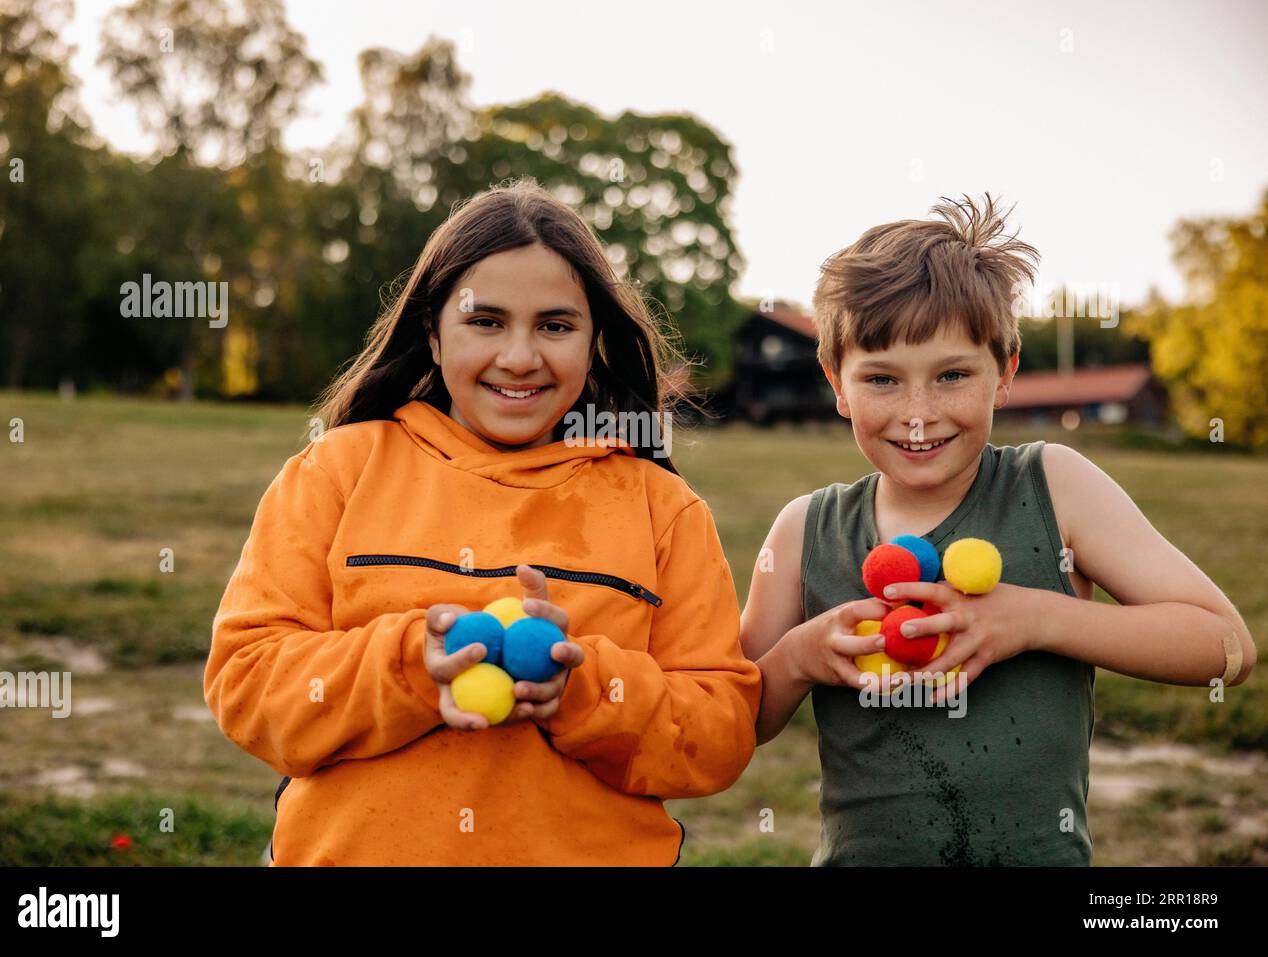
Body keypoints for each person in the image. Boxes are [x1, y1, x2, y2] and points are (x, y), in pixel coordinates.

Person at [204, 179, 761, 866]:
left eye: (555, 326)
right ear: (433, 335)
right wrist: (413, 665)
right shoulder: (337, 471)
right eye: (485, 321)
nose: (520, 357)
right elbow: (247, 681)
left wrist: (582, 689)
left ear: (594, 343)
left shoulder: (663, 509)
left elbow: (720, 730)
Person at [740, 194, 1256, 865]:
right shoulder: (805, 529)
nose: (918, 414)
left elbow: (1226, 648)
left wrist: (1033, 618)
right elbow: (735, 718)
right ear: (837, 382)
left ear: (1005, 373)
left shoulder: (1053, 486)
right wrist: (799, 658)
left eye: (952, 374)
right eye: (882, 379)